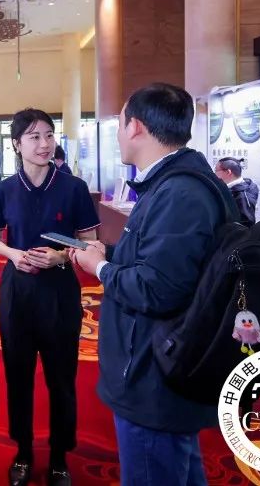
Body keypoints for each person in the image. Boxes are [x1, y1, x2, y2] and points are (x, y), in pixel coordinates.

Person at [70, 83, 236, 486]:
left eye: (120, 123)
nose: (117, 133)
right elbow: (162, 258)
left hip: (154, 372)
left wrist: (100, 268)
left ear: (136, 127)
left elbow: (158, 288)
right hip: (158, 364)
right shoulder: (172, 183)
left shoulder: (179, 192)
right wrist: (111, 253)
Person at [0, 109, 101, 486]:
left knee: (61, 378)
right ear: (16, 144)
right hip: (17, 293)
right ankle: (22, 452)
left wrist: (60, 256)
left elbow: (90, 242)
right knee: (17, 376)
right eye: (34, 136)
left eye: (49, 135)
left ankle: (59, 457)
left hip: (60, 292)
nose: (44, 143)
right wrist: (14, 254)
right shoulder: (4, 189)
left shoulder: (73, 187)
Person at [215, 157, 259, 226]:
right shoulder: (232, 189)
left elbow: (245, 227)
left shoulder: (242, 197)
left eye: (216, 171)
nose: (214, 174)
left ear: (228, 172)